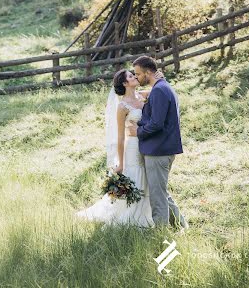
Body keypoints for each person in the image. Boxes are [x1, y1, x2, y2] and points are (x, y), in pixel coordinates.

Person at [75, 69, 155, 227]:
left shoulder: (143, 95)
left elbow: (158, 89)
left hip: (147, 144)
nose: (135, 77)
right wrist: (121, 164)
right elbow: (120, 136)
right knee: (136, 176)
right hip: (132, 146)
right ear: (125, 83)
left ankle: (148, 212)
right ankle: (132, 215)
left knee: (146, 177)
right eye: (131, 76)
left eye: (134, 75)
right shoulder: (122, 107)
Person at [127, 55, 188, 229]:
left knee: (157, 195)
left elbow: (157, 123)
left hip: (158, 151)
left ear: (148, 72)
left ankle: (161, 232)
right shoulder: (161, 88)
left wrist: (137, 131)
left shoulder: (160, 90)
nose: (137, 78)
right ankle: (181, 226)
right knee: (162, 192)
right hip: (162, 149)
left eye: (138, 74)